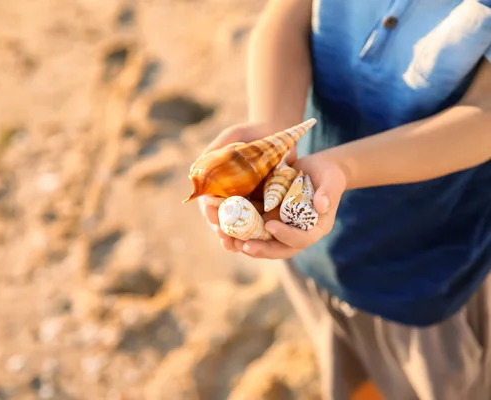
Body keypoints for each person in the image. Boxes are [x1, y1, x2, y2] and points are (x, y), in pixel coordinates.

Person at [197, 0, 491, 399]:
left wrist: (344, 169)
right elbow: (288, 14)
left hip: (423, 261)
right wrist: (271, 131)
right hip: (313, 240)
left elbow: (485, 111)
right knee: (347, 365)